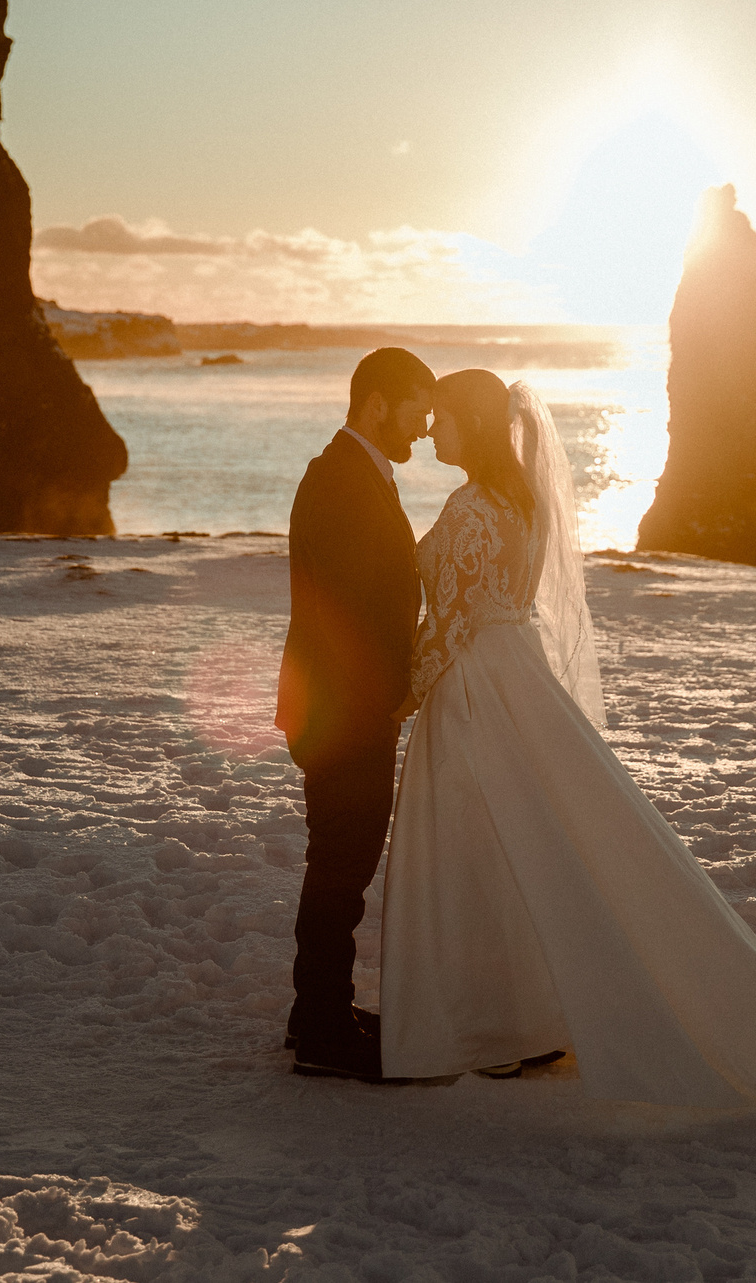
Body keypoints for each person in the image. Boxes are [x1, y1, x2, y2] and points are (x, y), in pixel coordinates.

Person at [378, 369, 756, 1106]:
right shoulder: (522, 503)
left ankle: (486, 1027)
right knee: (525, 843)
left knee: (473, 845)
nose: (434, 429)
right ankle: (521, 1021)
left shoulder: (471, 508)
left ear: (472, 424)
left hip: (476, 687)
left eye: (443, 417)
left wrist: (404, 695)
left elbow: (453, 621)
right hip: (519, 675)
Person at [275, 346, 435, 1081]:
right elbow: (345, 615)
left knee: (341, 864)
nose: (426, 424)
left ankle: (317, 1012)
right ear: (377, 401)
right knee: (340, 868)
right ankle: (322, 1034)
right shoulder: (340, 478)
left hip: (347, 709)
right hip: (344, 713)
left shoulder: (357, 473)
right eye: (417, 406)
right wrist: (392, 691)